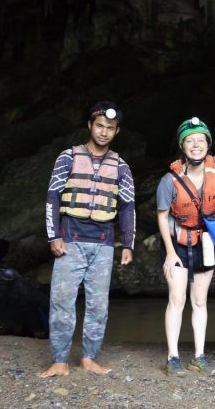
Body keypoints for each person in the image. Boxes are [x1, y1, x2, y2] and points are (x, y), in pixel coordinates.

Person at [39, 101, 135, 378]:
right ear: (90, 125)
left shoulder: (121, 167)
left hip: (104, 244)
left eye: (110, 128)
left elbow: (127, 207)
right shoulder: (68, 157)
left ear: (117, 131)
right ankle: (59, 360)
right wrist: (53, 235)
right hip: (70, 239)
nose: (104, 132)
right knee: (62, 302)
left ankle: (89, 358)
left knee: (98, 305)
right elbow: (53, 197)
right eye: (100, 126)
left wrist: (128, 244)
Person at [154, 117, 215, 376]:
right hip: (178, 244)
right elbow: (162, 217)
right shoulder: (168, 181)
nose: (196, 145)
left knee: (200, 301)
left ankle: (199, 355)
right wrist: (170, 253)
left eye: (200, 140)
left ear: (208, 144)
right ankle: (173, 356)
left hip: (205, 244)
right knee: (176, 298)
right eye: (190, 141)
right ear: (182, 146)